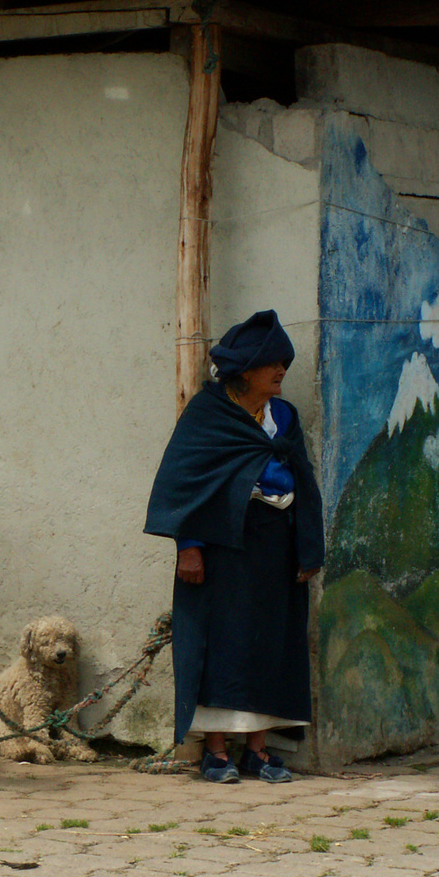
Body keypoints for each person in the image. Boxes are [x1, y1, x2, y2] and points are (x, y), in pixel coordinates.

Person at [143, 310, 324, 783]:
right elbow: (184, 483)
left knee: (270, 643)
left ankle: (258, 751)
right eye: (272, 363)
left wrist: (308, 548)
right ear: (245, 370)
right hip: (224, 546)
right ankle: (217, 752)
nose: (282, 370)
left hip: (275, 546)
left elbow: (303, 479)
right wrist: (189, 545)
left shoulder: (283, 416)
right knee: (222, 645)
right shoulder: (209, 413)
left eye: (285, 362)